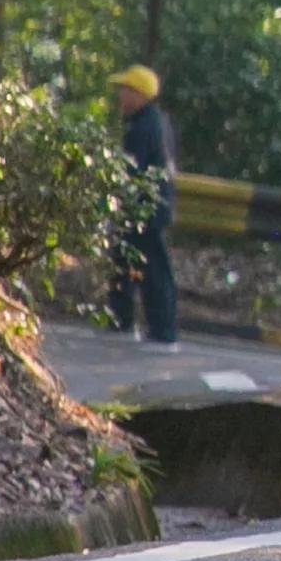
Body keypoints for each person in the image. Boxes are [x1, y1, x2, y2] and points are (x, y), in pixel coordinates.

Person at [106, 64, 180, 351]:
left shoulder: (143, 127)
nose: (120, 97)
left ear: (138, 94)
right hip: (152, 208)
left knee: (152, 270)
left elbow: (131, 171)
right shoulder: (157, 121)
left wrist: (120, 204)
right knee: (126, 263)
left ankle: (163, 331)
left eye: (125, 91)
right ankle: (120, 320)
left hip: (145, 210)